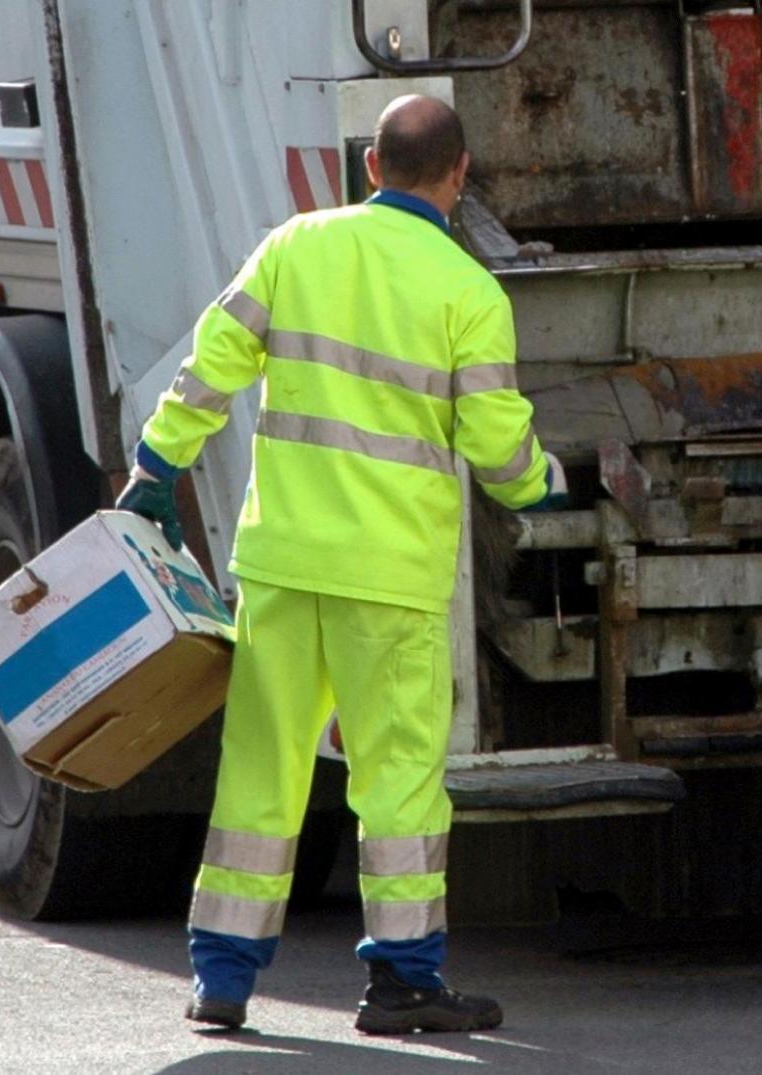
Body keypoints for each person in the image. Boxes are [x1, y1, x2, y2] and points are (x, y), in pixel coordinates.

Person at [117, 94, 565, 1035]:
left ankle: (223, 980)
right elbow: (496, 443)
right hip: (390, 579)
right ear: (459, 175)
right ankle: (402, 981)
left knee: (260, 768)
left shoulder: (294, 246)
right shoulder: (467, 291)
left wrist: (157, 468)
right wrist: (543, 486)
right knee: (398, 778)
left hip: (280, 562)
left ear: (370, 167)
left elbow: (210, 367)